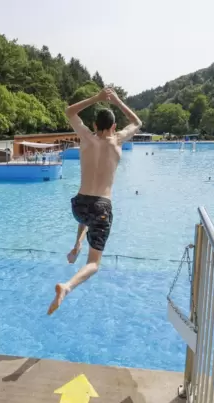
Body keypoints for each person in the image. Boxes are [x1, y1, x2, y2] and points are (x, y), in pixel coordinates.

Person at [48, 87, 142, 315]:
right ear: (114, 127)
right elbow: (138, 122)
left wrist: (97, 98)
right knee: (94, 264)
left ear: (94, 126)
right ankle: (67, 287)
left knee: (87, 214)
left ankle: (77, 244)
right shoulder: (117, 141)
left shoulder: (86, 138)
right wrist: (118, 101)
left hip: (79, 205)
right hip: (101, 206)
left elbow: (69, 111)